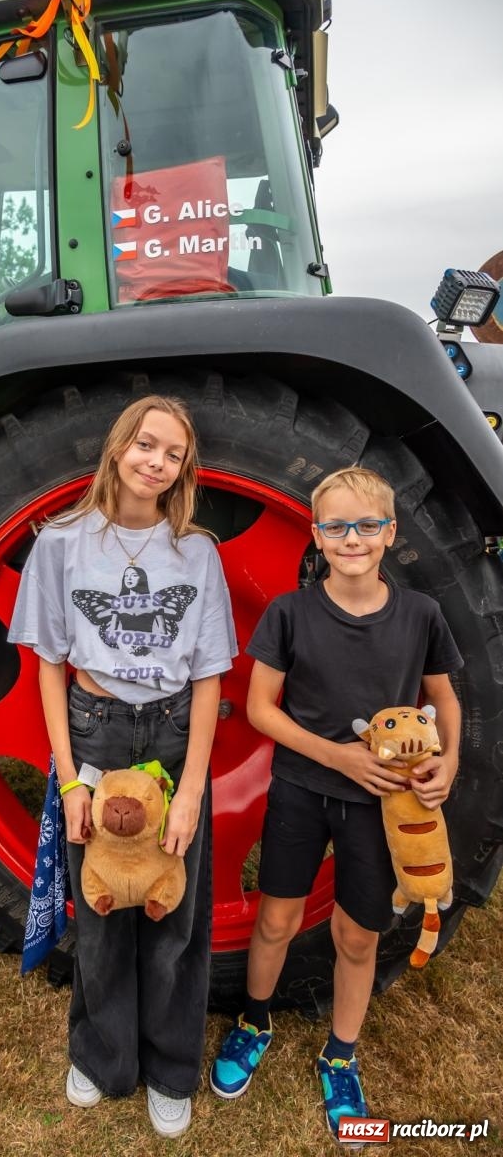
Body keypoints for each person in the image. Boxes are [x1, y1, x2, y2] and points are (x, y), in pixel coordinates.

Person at [210, 466, 462, 1144]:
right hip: (299, 791)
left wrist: (450, 758)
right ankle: (252, 1022)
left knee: (357, 935)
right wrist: (336, 756)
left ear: (388, 533)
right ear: (315, 534)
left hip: (379, 808)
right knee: (274, 920)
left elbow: (442, 699)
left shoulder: (420, 616)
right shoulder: (288, 614)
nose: (350, 538)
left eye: (365, 525)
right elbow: (261, 710)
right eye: (335, 526)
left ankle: (339, 1055)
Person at [8, 394, 237, 1138]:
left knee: (173, 903)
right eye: (145, 445)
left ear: (182, 469)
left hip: (170, 732)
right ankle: (103, 1054)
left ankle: (172, 1065)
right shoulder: (61, 543)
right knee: (102, 903)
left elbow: (209, 676)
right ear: (117, 449)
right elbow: (47, 665)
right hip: (97, 731)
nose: (155, 462)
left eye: (171, 454)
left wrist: (193, 788)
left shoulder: (195, 554)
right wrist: (71, 778)